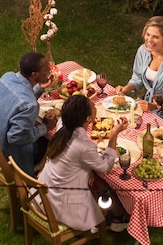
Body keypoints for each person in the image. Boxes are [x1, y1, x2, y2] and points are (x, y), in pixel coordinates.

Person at [38, 95, 129, 232]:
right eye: (92, 106)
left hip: (43, 194)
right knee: (103, 180)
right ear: (87, 118)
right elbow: (105, 167)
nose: (95, 106)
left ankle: (116, 212)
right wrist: (114, 135)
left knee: (94, 176)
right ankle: (115, 216)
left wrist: (89, 170)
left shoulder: (62, 124)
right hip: (59, 206)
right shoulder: (84, 146)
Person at [0, 52, 57, 176]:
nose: (50, 71)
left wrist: (39, 88)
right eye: (46, 70)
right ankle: (40, 178)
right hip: (9, 155)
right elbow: (16, 137)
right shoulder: (30, 105)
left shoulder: (7, 78)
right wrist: (45, 127)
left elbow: (18, 99)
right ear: (34, 74)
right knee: (54, 142)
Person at [116, 15, 163, 124]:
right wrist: (125, 89)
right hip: (147, 101)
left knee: (141, 124)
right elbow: (137, 78)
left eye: (155, 37)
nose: (149, 40)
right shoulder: (143, 51)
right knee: (124, 116)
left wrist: (153, 106)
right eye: (148, 34)